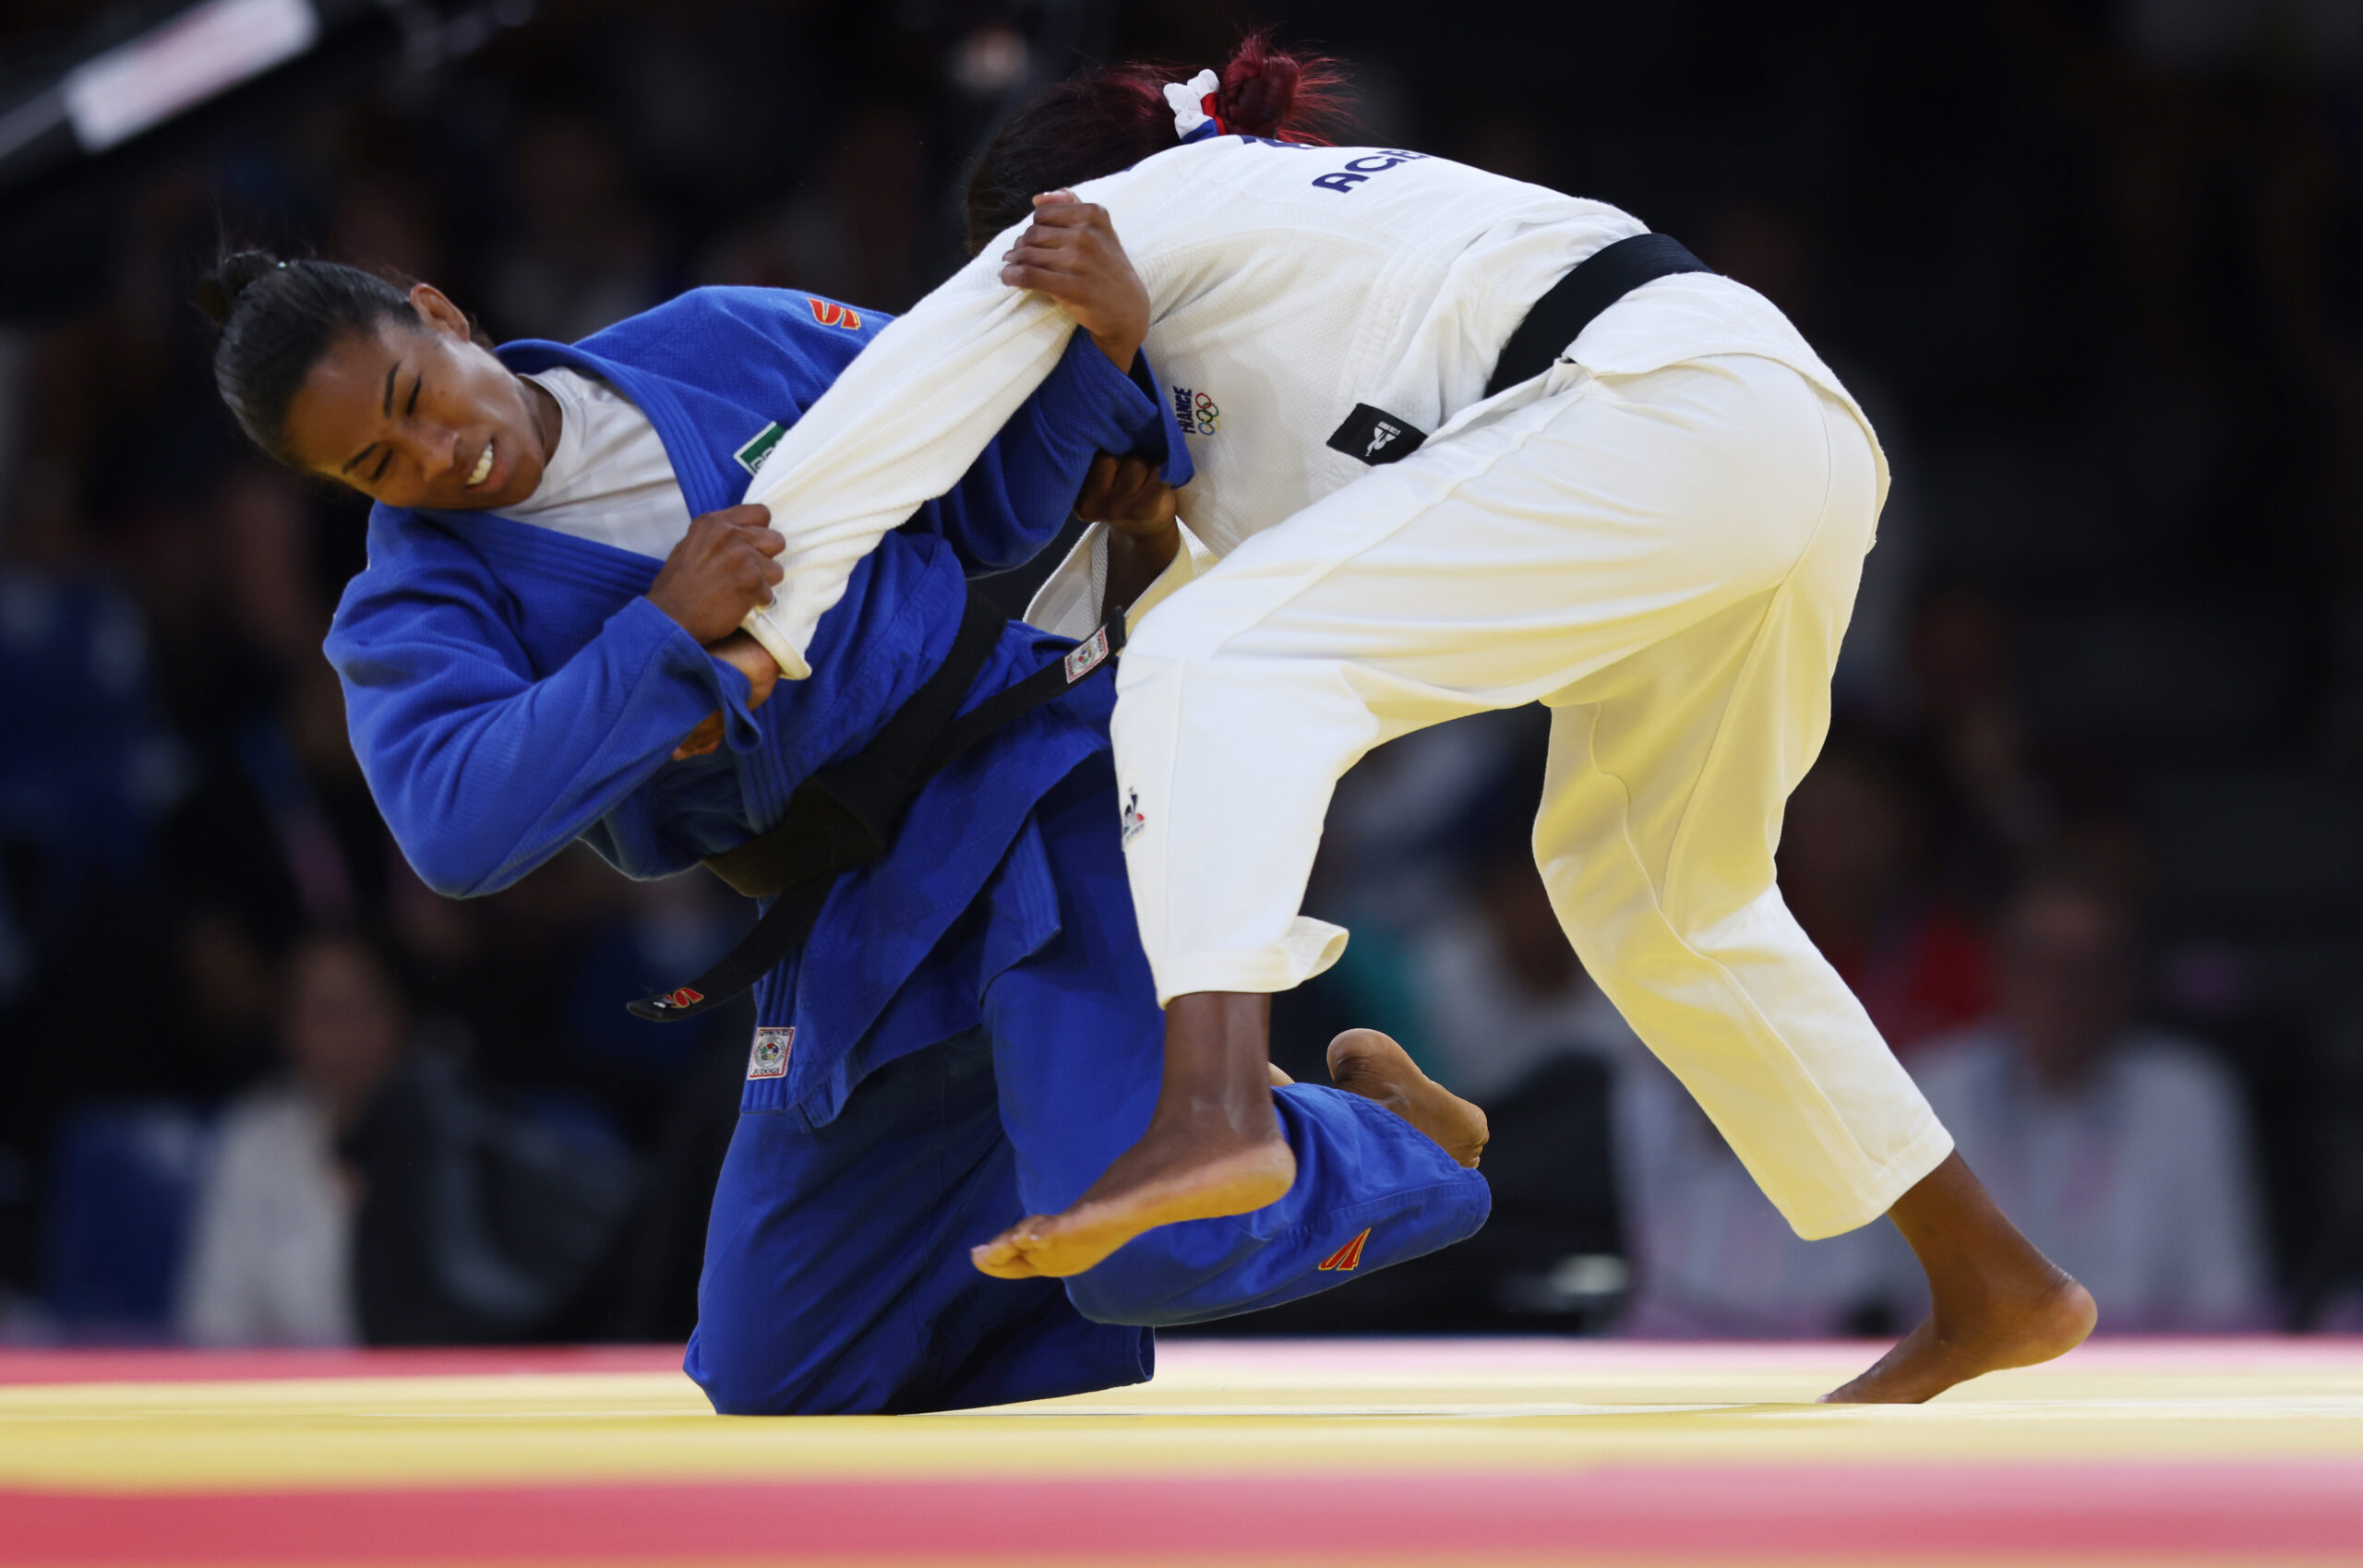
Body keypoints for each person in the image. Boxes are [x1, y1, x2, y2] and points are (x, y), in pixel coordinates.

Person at [721, 33, 2095, 1402]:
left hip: (1652, 414)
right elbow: (1257, 595)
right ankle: (1993, 1277)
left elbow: (891, 423)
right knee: (1658, 895)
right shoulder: (1297, 266)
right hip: (1773, 434)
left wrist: (746, 634)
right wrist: (1145, 481)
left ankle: (1215, 1103)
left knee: (1219, 653)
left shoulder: (1146, 204)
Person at [195, 252, 1488, 1413]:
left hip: (1030, 778)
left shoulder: (716, 341)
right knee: (782, 1375)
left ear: (440, 312)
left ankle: (1392, 1145)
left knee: (1147, 1240)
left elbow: (982, 470)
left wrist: (1099, 359)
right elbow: (456, 826)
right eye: (377, 465)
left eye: (417, 396)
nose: (436, 458)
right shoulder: (415, 606)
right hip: (853, 908)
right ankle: (1089, 1105)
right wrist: (661, 635)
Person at [1906, 873, 2273, 1332]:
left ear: (2125, 980)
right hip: (1959, 1370)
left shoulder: (2187, 1097)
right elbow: (1866, 1293)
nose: (2062, 991)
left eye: (2087, 969)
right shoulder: (1926, 1090)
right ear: (1999, 971)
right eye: (2041, 964)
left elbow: (2226, 1296)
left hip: (2143, 1377)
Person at [177, 930, 405, 1347]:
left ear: (398, 1016)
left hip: (418, 1402)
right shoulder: (252, 1142)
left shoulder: (446, 1138)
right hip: (285, 1399)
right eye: (324, 1012)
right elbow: (215, 1324)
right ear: (288, 1027)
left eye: (361, 1007)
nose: (345, 1034)